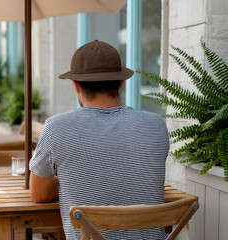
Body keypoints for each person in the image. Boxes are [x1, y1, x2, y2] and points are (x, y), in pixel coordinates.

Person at [29, 40, 169, 239]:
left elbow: (39, 194)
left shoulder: (56, 127)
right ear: (121, 83)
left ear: (76, 86)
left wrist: (67, 180)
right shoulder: (155, 125)